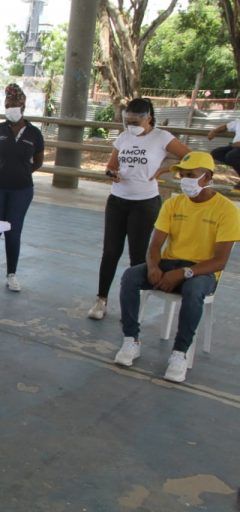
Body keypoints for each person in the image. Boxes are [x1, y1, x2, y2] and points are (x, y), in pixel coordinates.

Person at [113, 152, 240, 382]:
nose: (184, 179)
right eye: (182, 174)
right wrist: (153, 266)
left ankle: (179, 353)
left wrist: (183, 273)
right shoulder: (173, 204)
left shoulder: (227, 210)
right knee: (131, 277)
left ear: (208, 177)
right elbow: (155, 246)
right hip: (171, 262)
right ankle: (131, 340)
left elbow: (220, 261)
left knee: (193, 291)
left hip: (203, 270)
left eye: (191, 175)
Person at [87, 98, 190, 320]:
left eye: (135, 121)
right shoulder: (124, 137)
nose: (130, 125)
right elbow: (111, 166)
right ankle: (101, 299)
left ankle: (133, 305)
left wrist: (164, 170)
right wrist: (111, 173)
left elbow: (191, 158)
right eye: (127, 121)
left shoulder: (162, 137)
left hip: (145, 203)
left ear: (148, 118)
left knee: (138, 255)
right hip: (118, 200)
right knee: (111, 252)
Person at [0, 83, 44, 292]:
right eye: (7, 104)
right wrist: (0, 172)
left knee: (13, 231)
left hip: (22, 190)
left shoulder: (34, 133)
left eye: (13, 104)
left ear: (23, 106)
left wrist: (22, 173)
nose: (10, 108)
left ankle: (11, 274)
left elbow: (38, 161)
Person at [207, 119, 240, 189]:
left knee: (231, 156)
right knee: (215, 153)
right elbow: (226, 127)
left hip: (236, 148)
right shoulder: (238, 122)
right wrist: (214, 131)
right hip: (234, 146)